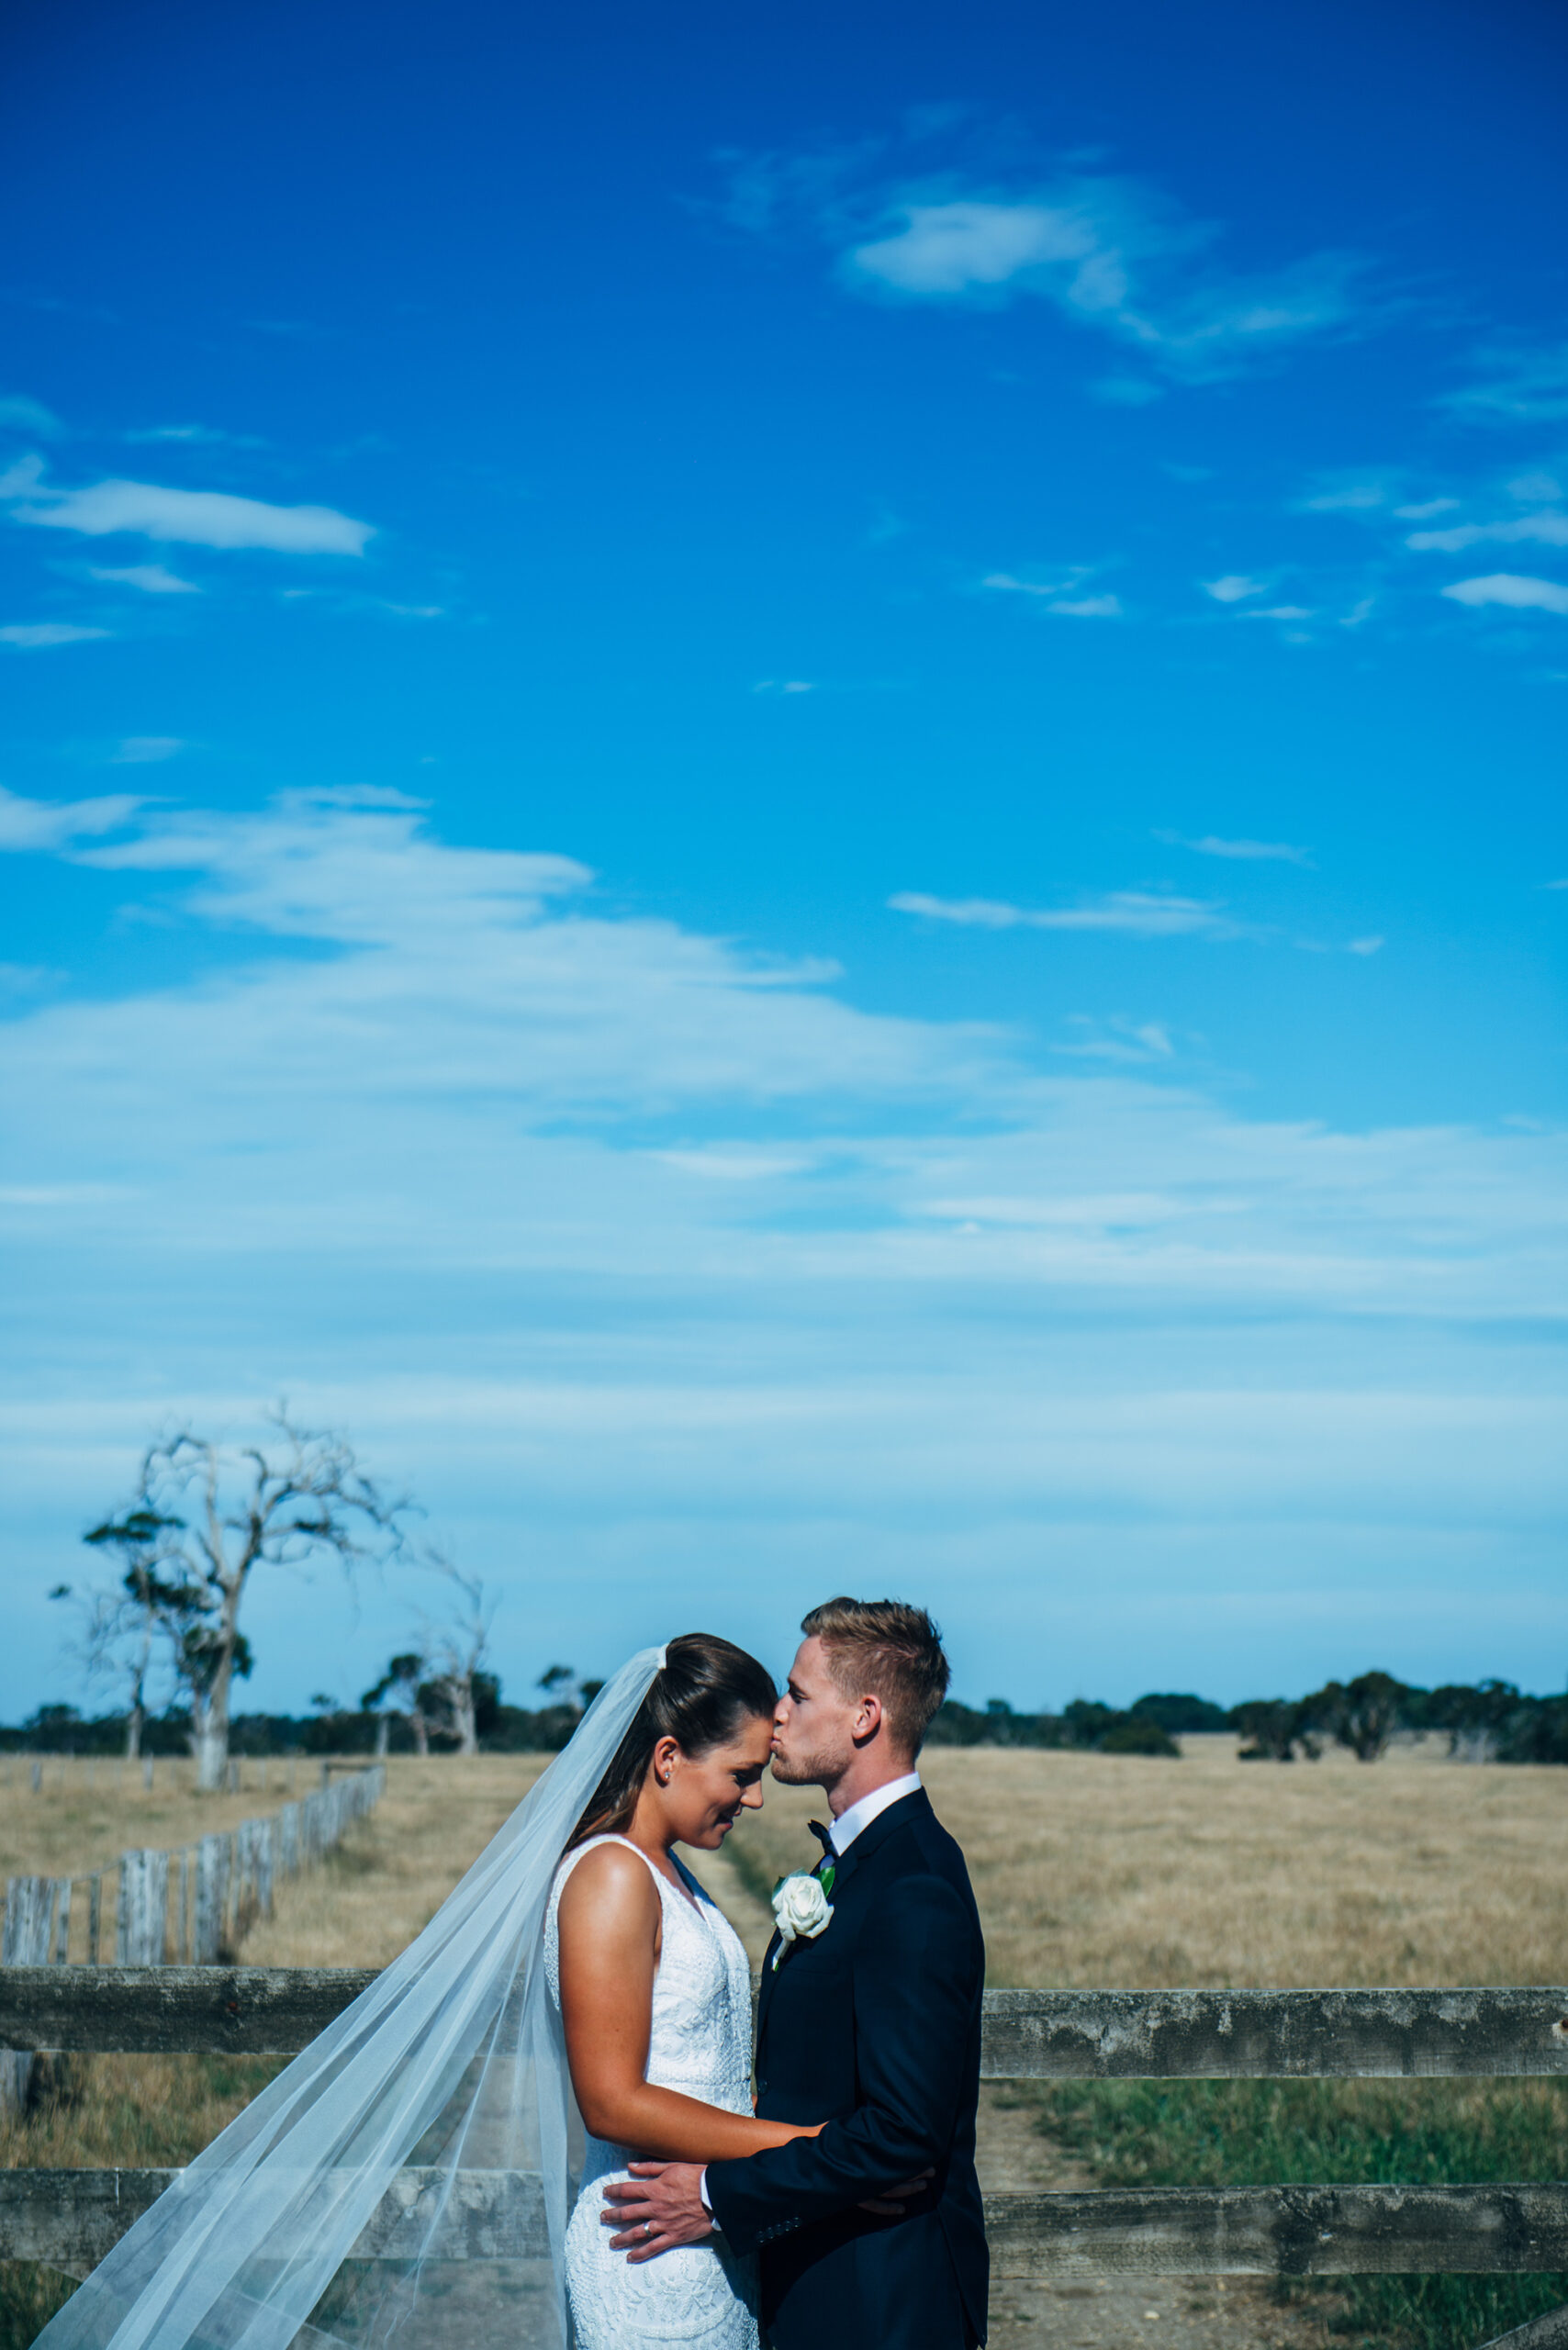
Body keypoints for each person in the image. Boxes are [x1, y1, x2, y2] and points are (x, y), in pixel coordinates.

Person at [602, 1597, 989, 2350]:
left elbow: (903, 2136)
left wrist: (714, 2197)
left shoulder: (913, 1885)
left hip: (880, 2304)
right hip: (816, 2281)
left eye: (799, 1694)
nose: (776, 1714)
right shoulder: (857, 1865)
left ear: (865, 1717)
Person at [545, 1631, 819, 2349]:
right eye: (740, 1773)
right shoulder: (611, 1876)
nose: (755, 1798)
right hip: (646, 2251)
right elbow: (610, 2100)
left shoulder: (669, 1873)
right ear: (668, 1758)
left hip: (705, 2238)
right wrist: (804, 2147)